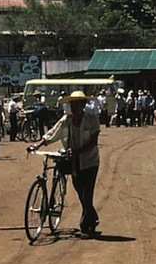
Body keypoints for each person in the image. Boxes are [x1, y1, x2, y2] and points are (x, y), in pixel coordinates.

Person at [30, 91, 102, 237]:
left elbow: (93, 141)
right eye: (72, 104)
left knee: (87, 193)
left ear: (83, 105)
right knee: (79, 190)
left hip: (90, 161)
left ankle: (87, 223)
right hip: (74, 161)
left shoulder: (91, 119)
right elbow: (53, 133)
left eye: (77, 104)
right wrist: (37, 145)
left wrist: (77, 151)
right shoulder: (66, 120)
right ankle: (92, 217)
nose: (74, 107)